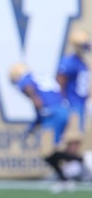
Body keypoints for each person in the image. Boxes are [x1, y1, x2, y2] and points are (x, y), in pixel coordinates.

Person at [9, 62, 83, 193]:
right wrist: (34, 125)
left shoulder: (26, 81)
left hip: (53, 113)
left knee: (47, 151)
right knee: (50, 151)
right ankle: (65, 177)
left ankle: (81, 162)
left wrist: (39, 108)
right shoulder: (40, 77)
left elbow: (34, 96)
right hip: (62, 110)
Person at [56, 29, 91, 133]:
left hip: (81, 103)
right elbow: (60, 83)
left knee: (80, 133)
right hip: (72, 104)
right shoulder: (69, 62)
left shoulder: (82, 62)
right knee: (72, 135)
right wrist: (63, 102)